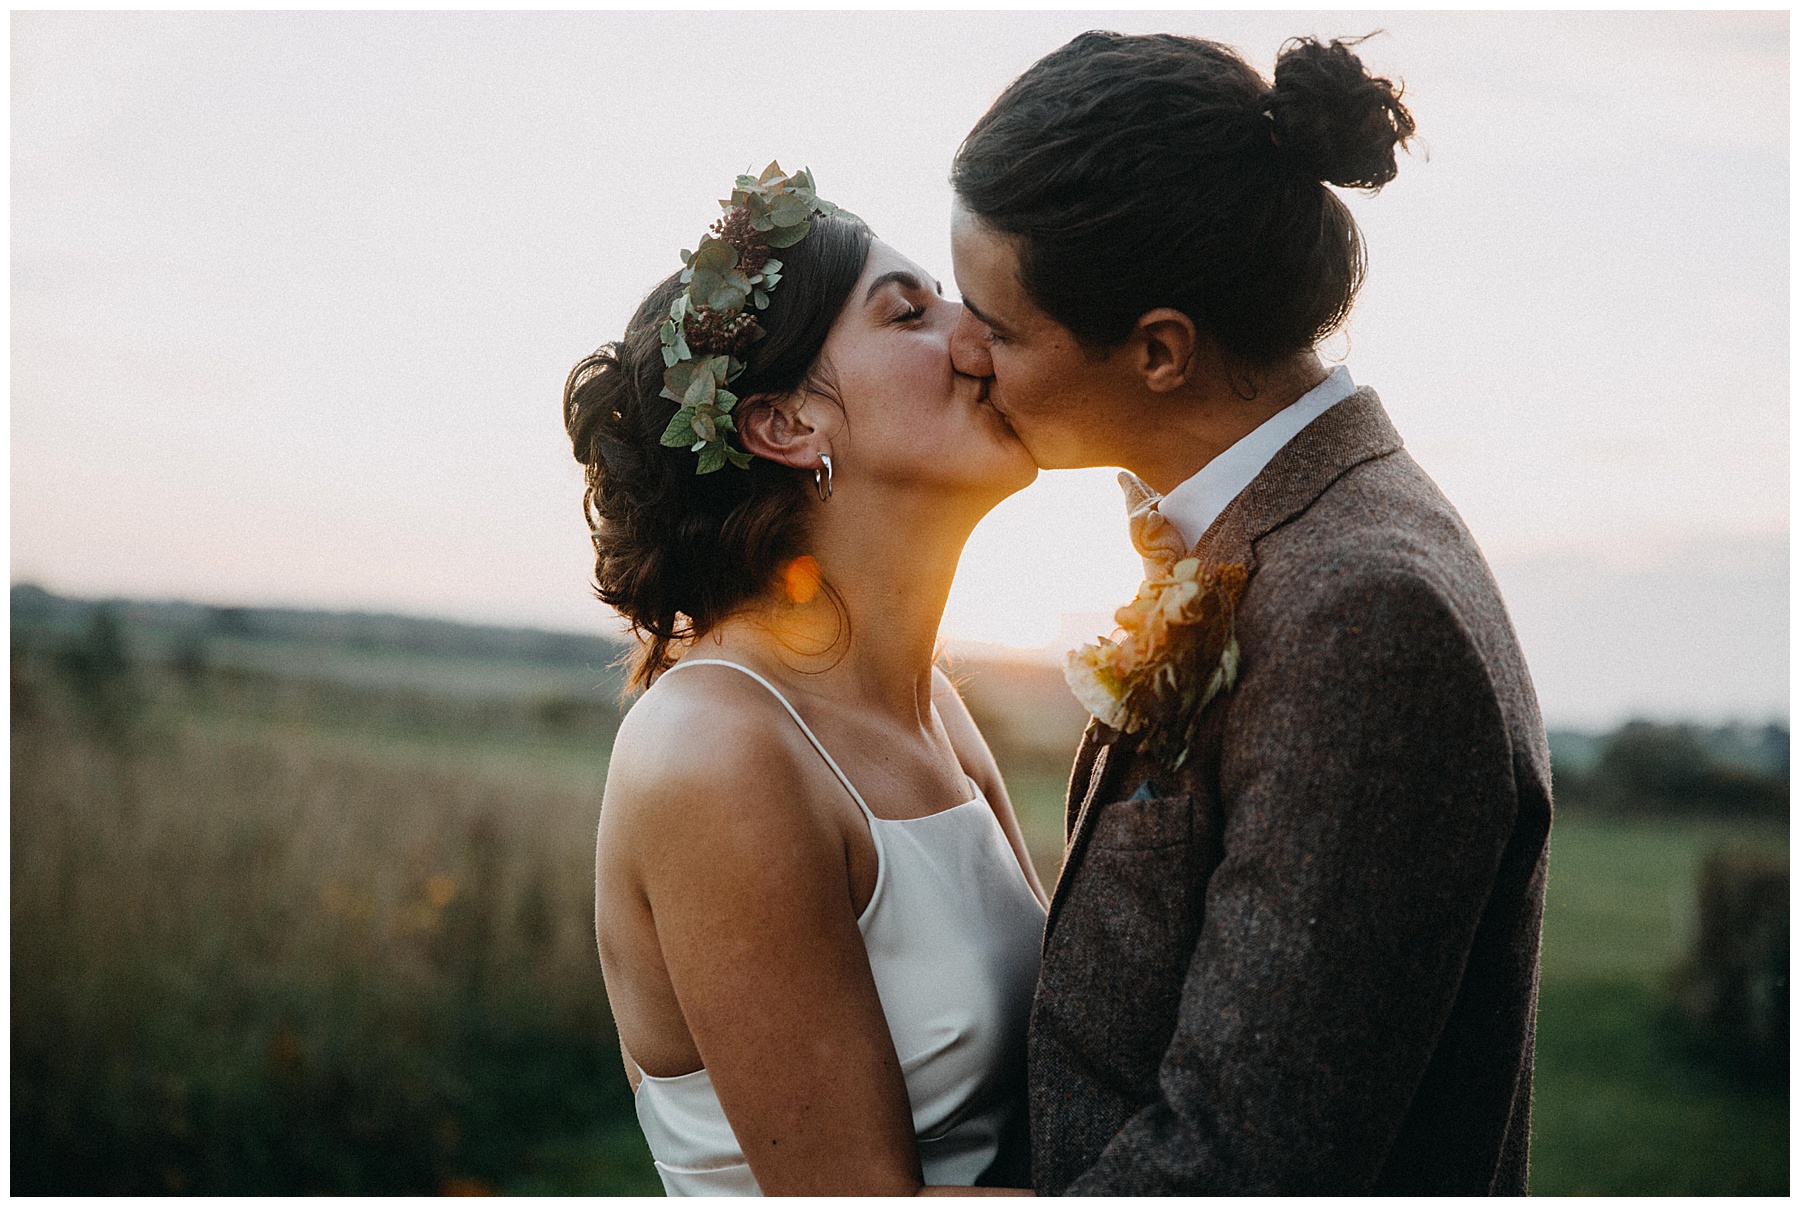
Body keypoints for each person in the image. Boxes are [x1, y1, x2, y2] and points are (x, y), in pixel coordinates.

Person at [947, 33, 1552, 1194]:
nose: (963, 353)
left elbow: (1237, 1162)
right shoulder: (1272, 535)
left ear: (1160, 350)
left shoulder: (1367, 613)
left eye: (1000, 325)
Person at [566, 165, 1045, 1196]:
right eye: (911, 312)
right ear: (785, 426)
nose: (981, 331)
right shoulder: (715, 752)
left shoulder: (935, 710)